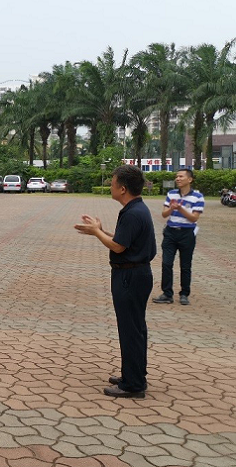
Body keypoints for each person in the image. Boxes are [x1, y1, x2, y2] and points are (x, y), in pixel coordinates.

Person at [74, 165, 156, 399]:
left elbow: (119, 247)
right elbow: (124, 239)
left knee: (131, 329)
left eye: (112, 183)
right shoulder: (136, 209)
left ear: (122, 189)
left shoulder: (133, 213)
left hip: (130, 276)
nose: (110, 186)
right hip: (135, 274)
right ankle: (134, 374)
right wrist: (101, 230)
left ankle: (133, 384)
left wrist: (96, 233)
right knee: (134, 328)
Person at [153, 169, 204, 306]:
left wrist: (180, 209)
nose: (178, 179)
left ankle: (184, 294)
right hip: (170, 232)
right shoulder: (171, 194)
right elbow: (164, 214)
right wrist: (172, 208)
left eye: (181, 176)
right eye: (177, 176)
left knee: (185, 265)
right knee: (166, 263)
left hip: (187, 233)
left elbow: (194, 218)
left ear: (190, 179)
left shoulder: (198, 197)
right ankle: (167, 293)